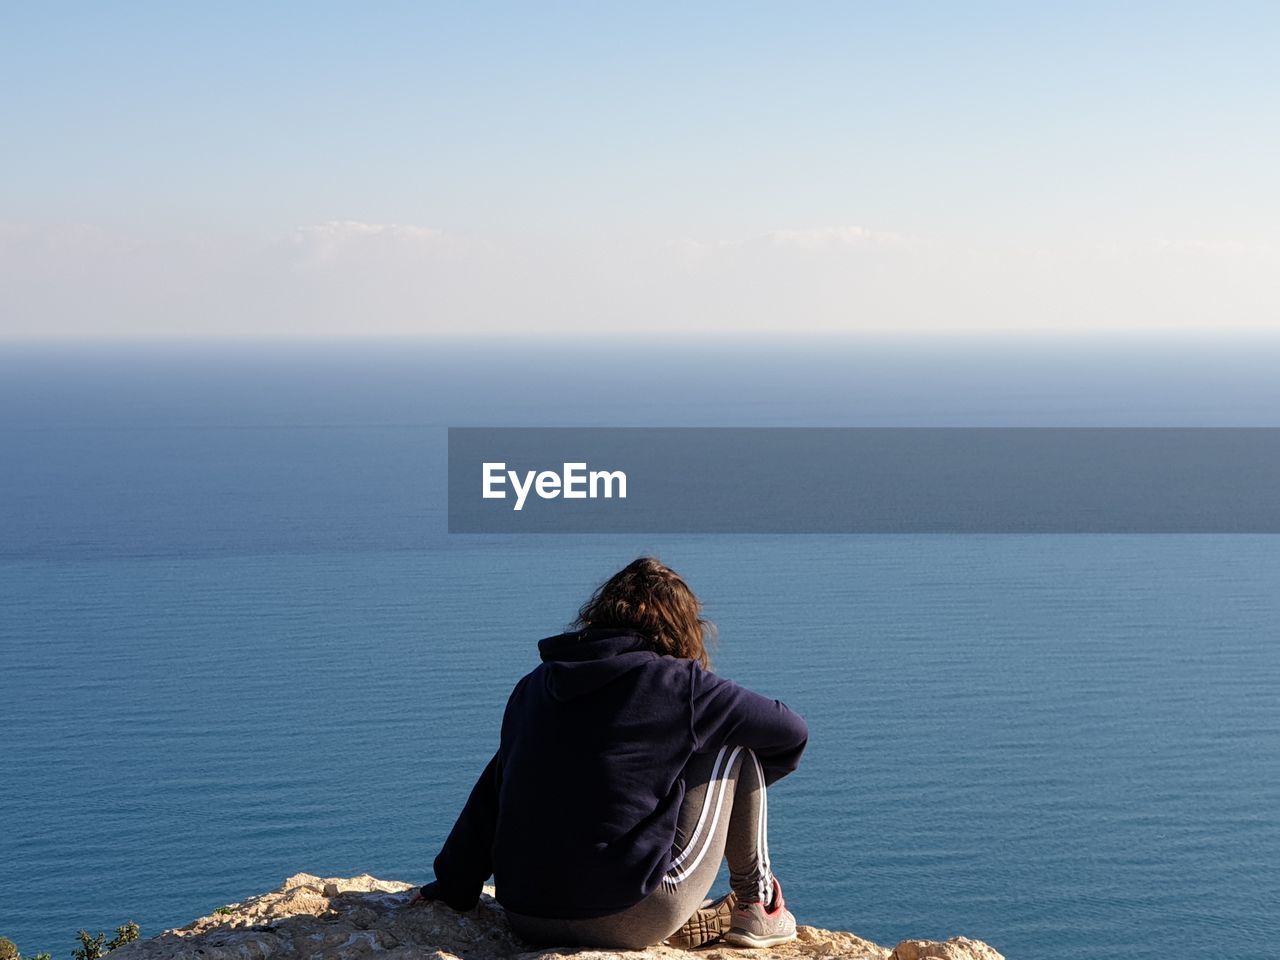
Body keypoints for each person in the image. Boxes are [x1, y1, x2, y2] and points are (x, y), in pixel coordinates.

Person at [410, 557, 809, 949]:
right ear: (679, 627)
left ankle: (685, 917)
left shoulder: (534, 686)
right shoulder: (679, 684)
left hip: (527, 916)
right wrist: (694, 782)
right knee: (735, 745)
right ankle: (757, 904)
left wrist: (452, 885)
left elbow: (494, 790)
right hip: (632, 913)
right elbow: (790, 732)